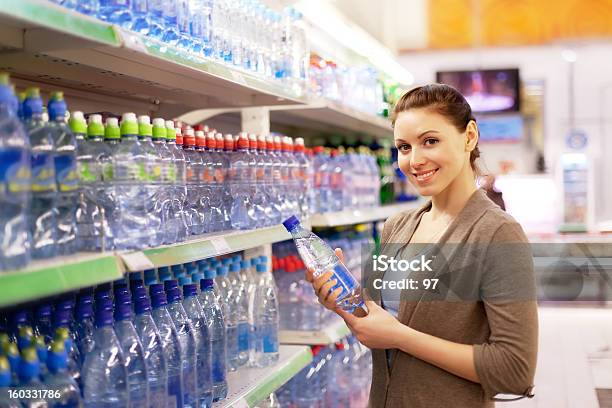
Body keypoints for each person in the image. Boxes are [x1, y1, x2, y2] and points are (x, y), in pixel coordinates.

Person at [307, 84, 538, 407]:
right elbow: (378, 330)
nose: (415, 160)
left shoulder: (496, 233)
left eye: (430, 141)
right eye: (403, 147)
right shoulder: (397, 228)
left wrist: (402, 337)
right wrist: (341, 301)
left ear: (469, 136)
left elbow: (515, 370)